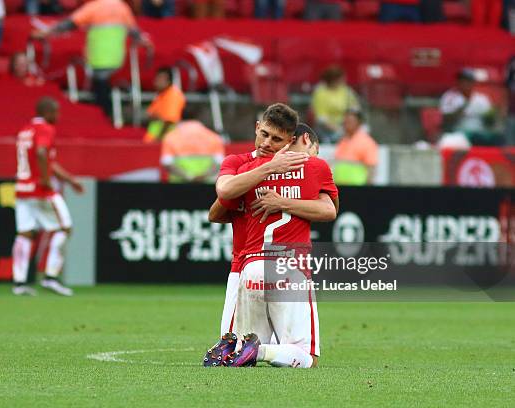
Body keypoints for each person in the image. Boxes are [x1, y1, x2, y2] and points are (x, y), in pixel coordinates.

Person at [207, 103, 339, 368]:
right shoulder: (315, 167)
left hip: (249, 266)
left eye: (276, 138)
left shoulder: (242, 168)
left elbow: (219, 204)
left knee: (236, 351)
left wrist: (279, 199)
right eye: (265, 134)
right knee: (305, 358)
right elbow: (329, 210)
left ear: (290, 140)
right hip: (289, 266)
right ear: (257, 128)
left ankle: (248, 349)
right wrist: (272, 172)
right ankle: (261, 350)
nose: (268, 142)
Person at [12, 97, 84, 296]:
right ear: (48, 112)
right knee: (64, 228)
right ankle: (51, 277)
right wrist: (45, 179)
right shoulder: (46, 129)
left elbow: (46, 160)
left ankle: (19, 283)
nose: (58, 117)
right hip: (39, 188)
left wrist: (69, 180)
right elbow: (42, 153)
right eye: (56, 112)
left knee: (25, 233)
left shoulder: (25, 130)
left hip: (22, 188)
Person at [31, 0, 153, 118]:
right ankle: (107, 114)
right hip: (117, 55)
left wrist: (47, 32)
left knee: (100, 87)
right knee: (104, 84)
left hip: (99, 53)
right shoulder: (122, 6)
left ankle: (102, 116)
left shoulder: (94, 7)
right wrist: (143, 40)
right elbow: (134, 31)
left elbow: (70, 23)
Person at [439, 69, 498, 146]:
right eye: (462, 81)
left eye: (468, 81)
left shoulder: (481, 98)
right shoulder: (450, 97)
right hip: (459, 132)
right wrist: (463, 106)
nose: (465, 84)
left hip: (480, 132)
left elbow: (491, 121)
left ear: (473, 83)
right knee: (475, 139)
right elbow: (445, 119)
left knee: (497, 139)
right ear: (458, 82)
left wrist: (492, 114)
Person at [160, 120, 225, 183]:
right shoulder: (213, 136)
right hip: (207, 185)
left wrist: (190, 177)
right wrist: (203, 176)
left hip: (179, 186)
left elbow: (167, 163)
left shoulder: (170, 136)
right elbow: (219, 163)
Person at [310, 65, 360, 143]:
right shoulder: (320, 93)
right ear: (333, 79)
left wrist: (349, 127)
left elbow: (355, 109)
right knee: (338, 136)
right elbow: (322, 119)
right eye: (341, 79)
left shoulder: (346, 90)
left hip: (345, 126)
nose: (344, 80)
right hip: (326, 130)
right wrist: (340, 130)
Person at [333, 110, 379, 185]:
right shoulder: (343, 141)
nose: (346, 124)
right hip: (339, 186)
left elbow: (371, 168)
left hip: (358, 188)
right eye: (345, 121)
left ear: (359, 123)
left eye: (350, 121)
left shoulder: (367, 142)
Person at [144, 67, 186, 143]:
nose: (157, 81)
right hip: (154, 141)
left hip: (164, 142)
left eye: (161, 78)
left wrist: (159, 140)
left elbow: (170, 121)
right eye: (157, 78)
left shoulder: (173, 95)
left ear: (169, 81)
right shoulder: (160, 95)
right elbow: (150, 115)